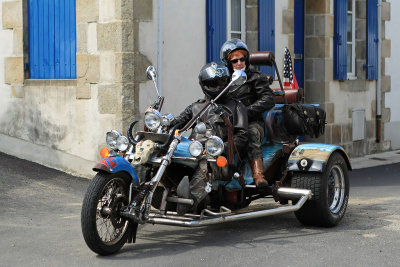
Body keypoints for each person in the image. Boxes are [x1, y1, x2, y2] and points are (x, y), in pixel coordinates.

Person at [220, 38, 275, 187]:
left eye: (242, 59)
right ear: (227, 63)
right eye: (234, 60)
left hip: (251, 121)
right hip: (226, 121)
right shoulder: (223, 80)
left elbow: (269, 98)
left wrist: (246, 112)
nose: (239, 63)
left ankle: (258, 174)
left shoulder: (255, 77)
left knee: (251, 134)